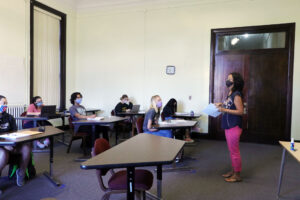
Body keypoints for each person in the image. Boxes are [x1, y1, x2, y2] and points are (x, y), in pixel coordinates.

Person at [215, 72, 244, 182]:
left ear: (235, 82)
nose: (227, 80)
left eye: (229, 79)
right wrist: (221, 105)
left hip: (234, 125)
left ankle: (237, 175)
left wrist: (223, 109)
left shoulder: (236, 94)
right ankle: (233, 170)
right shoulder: (230, 93)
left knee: (234, 151)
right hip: (228, 125)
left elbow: (240, 111)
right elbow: (229, 105)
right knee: (232, 150)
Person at [0, 95, 32, 187]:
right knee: (3, 154)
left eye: (6, 103)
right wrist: (5, 145)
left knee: (27, 146)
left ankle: (21, 173)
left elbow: (15, 132)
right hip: (1, 146)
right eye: (3, 103)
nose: (6, 105)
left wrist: (14, 143)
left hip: (11, 143)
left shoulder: (9, 117)